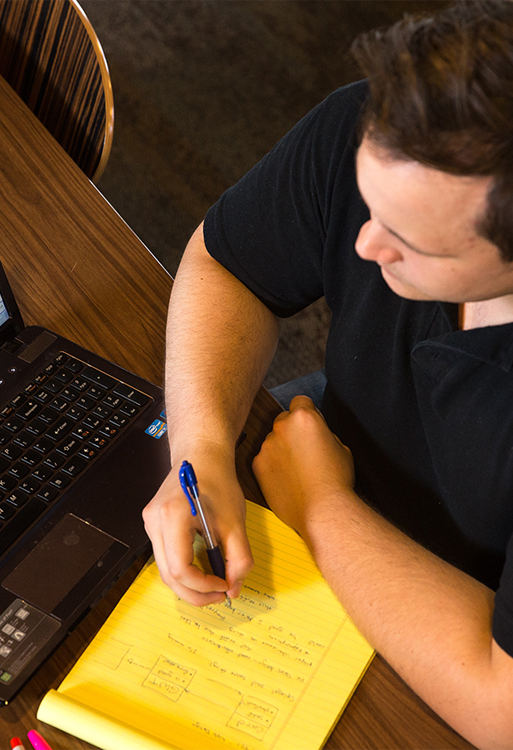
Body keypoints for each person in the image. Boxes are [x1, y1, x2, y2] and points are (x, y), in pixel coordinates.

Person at [142, 1, 513, 746]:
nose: (366, 242)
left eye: (410, 242)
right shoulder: (393, 130)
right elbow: (225, 264)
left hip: (456, 602)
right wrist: (201, 448)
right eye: (368, 204)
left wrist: (320, 504)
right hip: (330, 456)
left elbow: (502, 705)